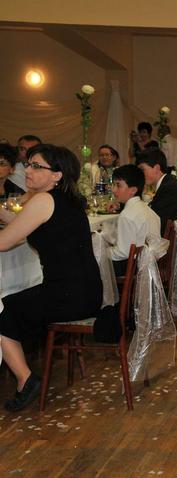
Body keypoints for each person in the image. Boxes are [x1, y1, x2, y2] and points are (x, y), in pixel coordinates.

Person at [0, 144, 102, 412]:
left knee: (2, 308)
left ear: (57, 174)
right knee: (12, 302)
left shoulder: (43, 200)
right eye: (28, 164)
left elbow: (4, 242)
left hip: (67, 295)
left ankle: (25, 379)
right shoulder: (66, 199)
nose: (28, 170)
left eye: (37, 166)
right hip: (84, 290)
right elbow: (19, 223)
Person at [107, 164, 162, 276]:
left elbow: (123, 252)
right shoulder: (147, 208)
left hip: (133, 267)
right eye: (113, 184)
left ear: (133, 190)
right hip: (149, 263)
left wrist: (103, 252)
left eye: (118, 185)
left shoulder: (127, 215)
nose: (114, 190)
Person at [136, 148, 177, 235]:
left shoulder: (169, 188)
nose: (139, 174)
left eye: (142, 169)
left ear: (157, 168)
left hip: (172, 240)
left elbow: (155, 220)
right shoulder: (167, 182)